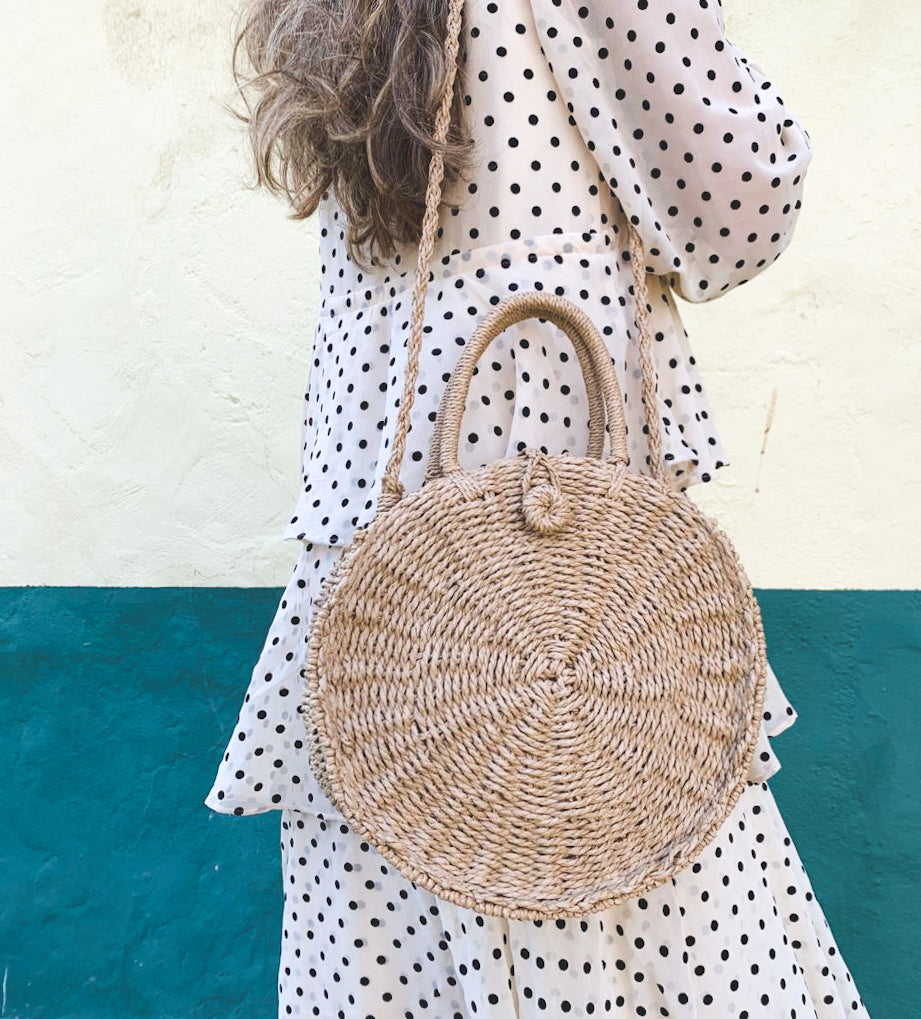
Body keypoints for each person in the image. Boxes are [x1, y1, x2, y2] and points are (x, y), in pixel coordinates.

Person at [206, 0, 872, 1015]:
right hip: (552, 529)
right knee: (607, 873)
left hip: (386, 549)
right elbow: (738, 206)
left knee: (408, 912)